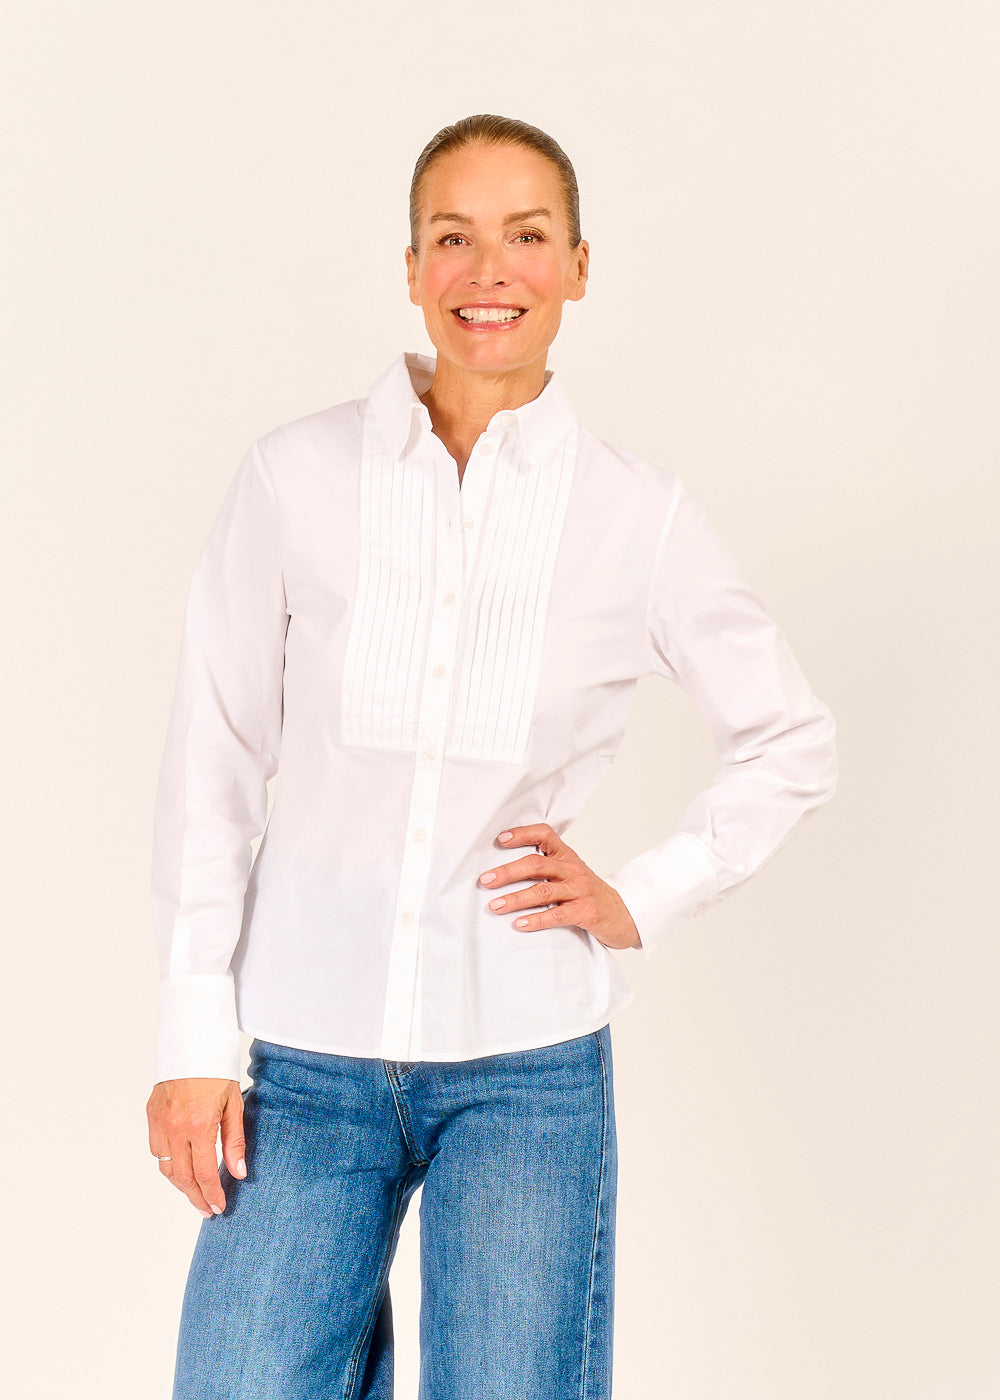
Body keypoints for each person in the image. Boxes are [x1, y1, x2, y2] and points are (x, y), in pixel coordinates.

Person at [146, 113, 838, 1399]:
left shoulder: (637, 515)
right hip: (301, 1060)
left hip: (527, 1067)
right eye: (453, 237)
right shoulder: (294, 477)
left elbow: (788, 736)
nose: (488, 270)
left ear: (578, 265)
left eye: (526, 236)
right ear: (411, 267)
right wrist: (192, 1030)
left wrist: (645, 893)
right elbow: (215, 757)